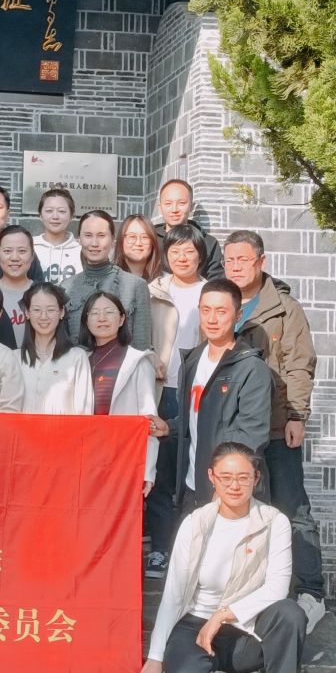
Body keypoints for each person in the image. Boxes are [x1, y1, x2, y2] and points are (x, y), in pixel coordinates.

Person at [137, 441, 304, 673]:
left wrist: (223, 615)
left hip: (246, 628)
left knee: (290, 613)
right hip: (195, 624)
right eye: (226, 477)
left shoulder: (273, 522)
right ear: (211, 477)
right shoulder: (196, 523)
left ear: (256, 478)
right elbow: (174, 594)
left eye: (243, 477)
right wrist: (155, 657)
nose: (234, 486)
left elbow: (277, 588)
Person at [224, 230, 324, 610]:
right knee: (241, 508)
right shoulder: (221, 302)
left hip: (278, 424)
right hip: (235, 426)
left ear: (261, 262)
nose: (235, 267)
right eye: (229, 260)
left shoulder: (284, 308)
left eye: (243, 260)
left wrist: (297, 415)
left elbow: (300, 365)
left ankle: (311, 591)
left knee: (291, 506)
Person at [170, 280, 275, 509]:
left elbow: (252, 436)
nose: (212, 319)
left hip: (230, 493)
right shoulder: (191, 361)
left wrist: (225, 486)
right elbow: (193, 421)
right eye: (205, 310)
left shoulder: (251, 368)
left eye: (221, 311)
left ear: (238, 315)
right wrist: (168, 427)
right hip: (192, 486)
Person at [145, 225, 212, 575]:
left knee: (191, 471)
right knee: (158, 470)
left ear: (200, 255)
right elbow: (139, 335)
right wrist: (149, 356)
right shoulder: (153, 290)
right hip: (160, 389)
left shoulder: (210, 292)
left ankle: (188, 553)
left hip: (197, 390)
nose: (182, 258)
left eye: (189, 251)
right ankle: (159, 548)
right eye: (175, 251)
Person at [80, 290, 164, 502]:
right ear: (86, 320)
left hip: (124, 458)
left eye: (109, 312)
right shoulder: (80, 360)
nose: (102, 318)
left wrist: (147, 471)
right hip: (86, 459)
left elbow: (148, 420)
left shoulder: (138, 362)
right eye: (94, 313)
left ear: (122, 319)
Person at [64, 210, 153, 347]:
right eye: (88, 235)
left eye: (101, 235)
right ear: (79, 239)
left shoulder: (136, 285)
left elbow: (142, 344)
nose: (94, 243)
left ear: (112, 240)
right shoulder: (66, 287)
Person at [18, 282, 92, 414]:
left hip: (65, 428)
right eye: (37, 310)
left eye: (51, 310)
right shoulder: (14, 358)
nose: (43, 316)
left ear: (62, 312)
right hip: (21, 428)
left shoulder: (77, 358)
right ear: (27, 313)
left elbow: (84, 413)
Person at [154, 179, 225, 280]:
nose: (174, 209)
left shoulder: (208, 243)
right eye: (168, 204)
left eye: (181, 203)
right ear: (160, 207)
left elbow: (216, 282)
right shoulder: (150, 239)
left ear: (191, 207)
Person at [0, 225, 37, 349]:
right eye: (7, 251)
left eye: (22, 251)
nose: (15, 258)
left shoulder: (45, 294)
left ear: (32, 256)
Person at [33, 188, 82, 287]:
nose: (55, 216)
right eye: (49, 211)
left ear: (71, 215)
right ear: (40, 215)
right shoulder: (29, 247)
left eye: (62, 211)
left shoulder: (81, 250)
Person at [118, 214, 166, 285]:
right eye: (132, 236)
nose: (138, 243)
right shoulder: (107, 278)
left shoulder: (165, 281)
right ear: (121, 240)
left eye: (145, 237)